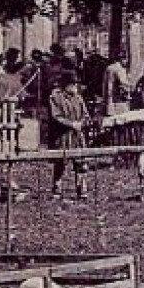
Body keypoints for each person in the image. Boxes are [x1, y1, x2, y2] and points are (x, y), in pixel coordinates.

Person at [47, 71, 90, 199]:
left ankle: (81, 189)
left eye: (76, 84)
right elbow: (56, 116)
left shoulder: (78, 98)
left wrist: (82, 123)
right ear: (65, 85)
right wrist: (71, 124)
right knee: (61, 162)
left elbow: (86, 115)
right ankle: (57, 189)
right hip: (63, 135)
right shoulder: (55, 97)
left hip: (77, 135)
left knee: (81, 162)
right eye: (72, 84)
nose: (75, 87)